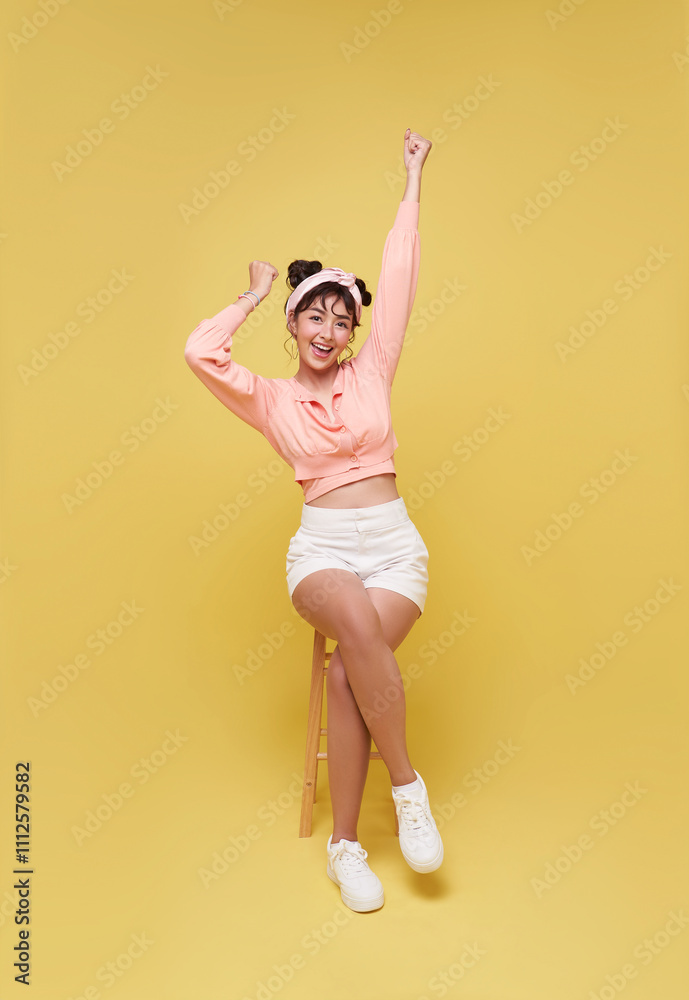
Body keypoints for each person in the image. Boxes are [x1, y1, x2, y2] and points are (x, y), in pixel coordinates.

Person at [184, 127, 443, 913]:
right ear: (293, 327)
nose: (329, 333)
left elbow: (397, 277)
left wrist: (411, 180)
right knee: (356, 636)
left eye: (341, 321)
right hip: (324, 552)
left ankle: (343, 851)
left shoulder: (375, 371)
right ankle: (408, 790)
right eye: (313, 319)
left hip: (395, 548)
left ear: (353, 333)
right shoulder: (267, 398)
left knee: (344, 670)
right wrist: (252, 294)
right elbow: (200, 353)